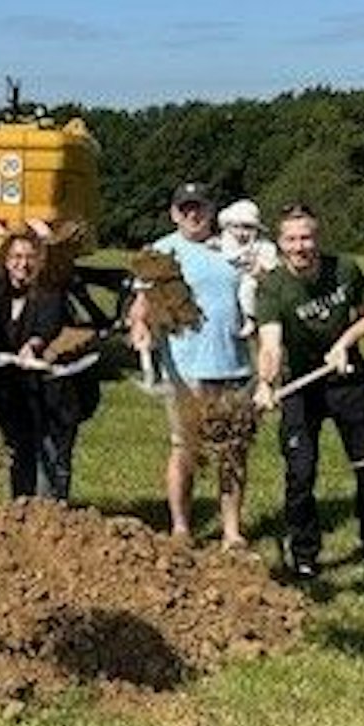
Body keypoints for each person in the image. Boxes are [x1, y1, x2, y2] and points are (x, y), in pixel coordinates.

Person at [252, 203, 364, 578]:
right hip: (302, 388)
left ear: (317, 238)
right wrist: (266, 383)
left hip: (348, 380)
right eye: (291, 239)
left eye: (306, 237)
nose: (300, 246)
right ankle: (304, 554)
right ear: (280, 243)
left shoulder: (345, 270)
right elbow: (270, 344)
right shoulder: (272, 287)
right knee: (300, 471)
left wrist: (344, 343)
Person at [130, 182, 254, 547]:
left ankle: (232, 531)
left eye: (199, 207)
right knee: (185, 448)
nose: (193, 214)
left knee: (232, 450)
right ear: (174, 213)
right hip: (186, 370)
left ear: (212, 210)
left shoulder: (232, 247)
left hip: (234, 367)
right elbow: (141, 305)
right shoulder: (163, 253)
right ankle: (181, 527)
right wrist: (140, 326)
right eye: (185, 208)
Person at [0, 229, 86, 501]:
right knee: (19, 461)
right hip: (12, 398)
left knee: (50, 466)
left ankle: (52, 521)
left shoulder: (50, 293)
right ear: (6, 261)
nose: (23, 264)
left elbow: (48, 326)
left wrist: (34, 346)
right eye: (16, 257)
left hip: (51, 400)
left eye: (29, 257)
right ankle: (21, 517)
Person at [209, 198, 280, 338]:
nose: (241, 233)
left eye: (247, 227)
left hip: (251, 278)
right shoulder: (226, 241)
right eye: (236, 227)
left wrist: (260, 268)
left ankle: (251, 319)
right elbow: (218, 247)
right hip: (228, 282)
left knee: (247, 289)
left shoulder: (263, 246)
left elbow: (272, 267)